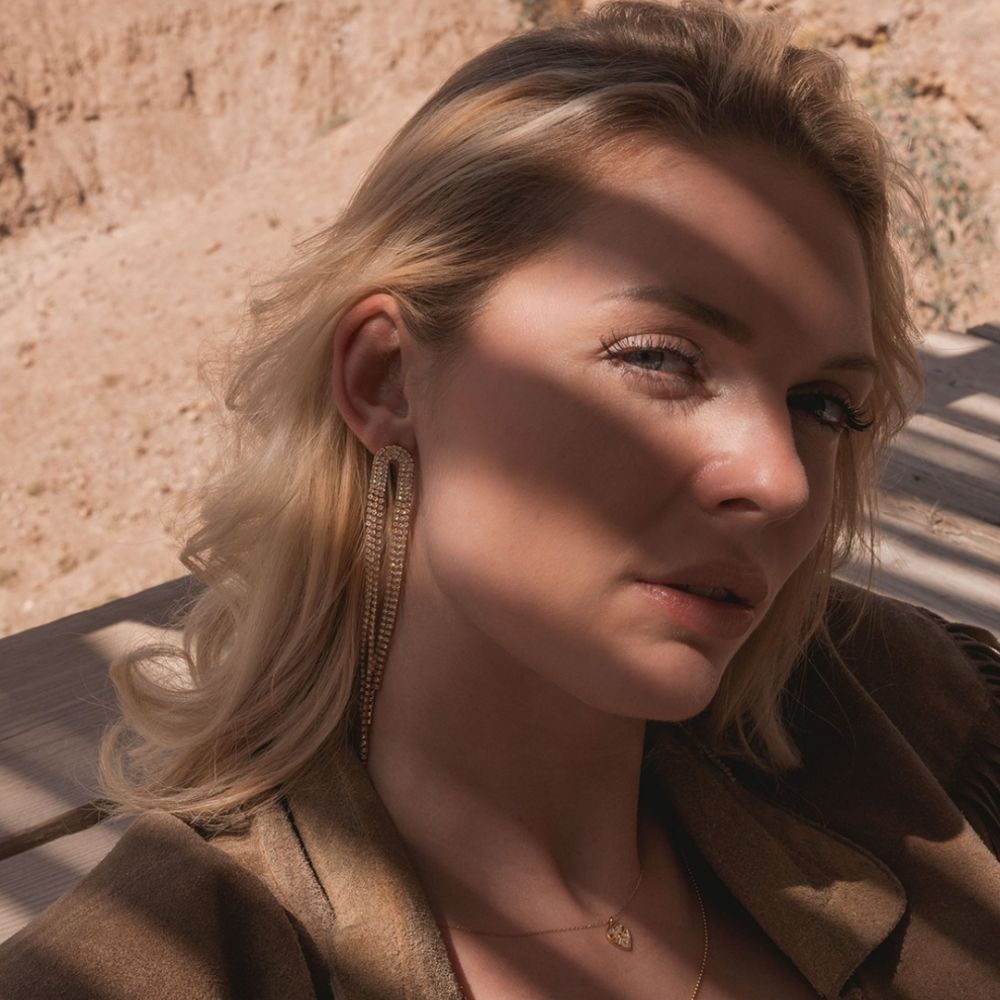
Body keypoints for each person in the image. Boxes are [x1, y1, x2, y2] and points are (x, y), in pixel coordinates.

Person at [2, 2, 998, 998]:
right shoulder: (152, 967)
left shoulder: (912, 725)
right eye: (661, 358)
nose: (779, 479)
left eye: (822, 405)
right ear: (387, 378)